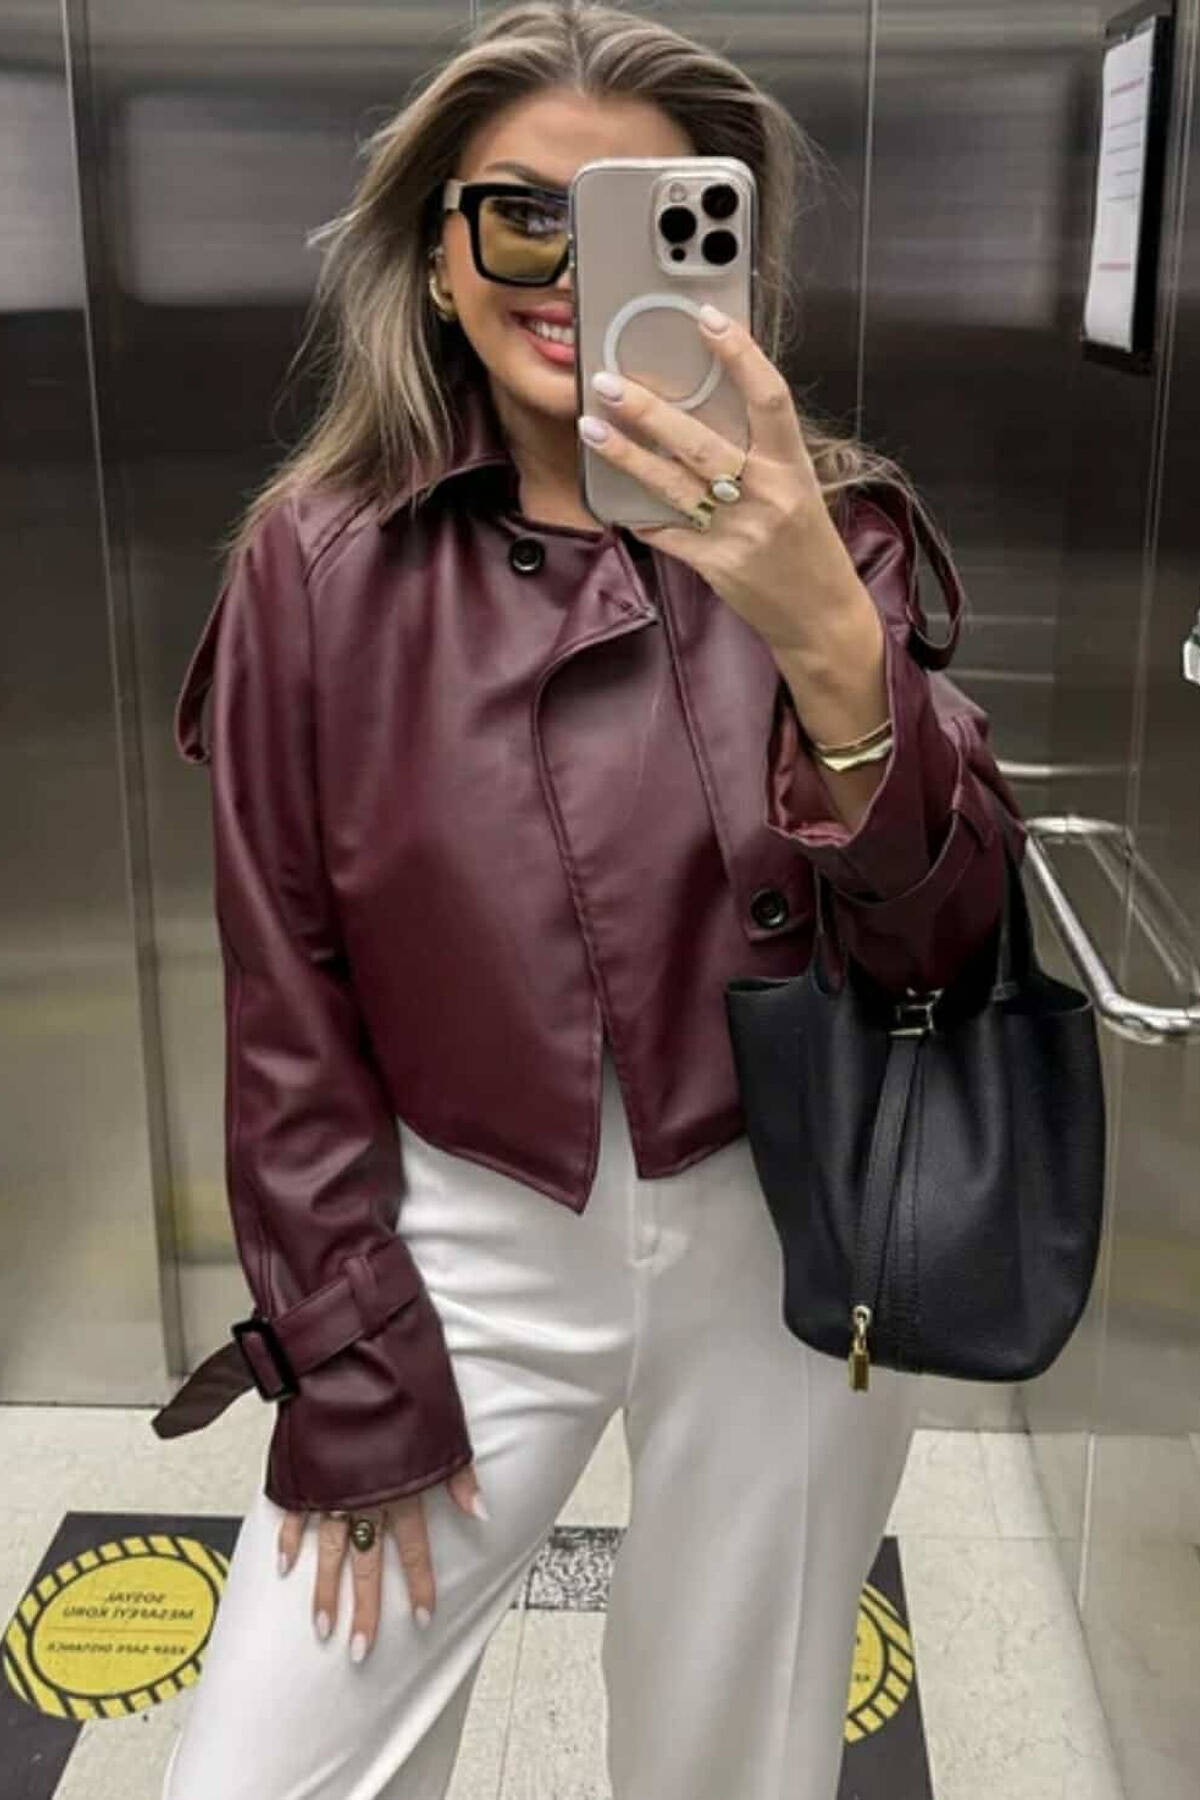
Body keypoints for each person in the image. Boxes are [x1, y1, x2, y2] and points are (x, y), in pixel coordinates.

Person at [152, 3, 1024, 1796]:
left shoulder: (832, 533)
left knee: (738, 1755)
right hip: (458, 1234)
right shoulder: (317, 564)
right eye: (520, 216)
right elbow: (285, 996)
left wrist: (829, 641)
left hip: (791, 1225)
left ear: (726, 255)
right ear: (437, 257)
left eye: (641, 217)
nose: (566, 271)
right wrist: (346, 1355)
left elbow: (940, 941)